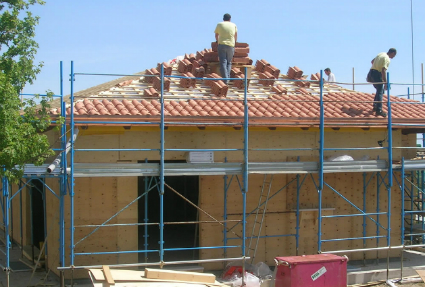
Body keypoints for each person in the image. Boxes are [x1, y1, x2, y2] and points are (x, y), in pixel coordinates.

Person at [369, 48, 397, 117]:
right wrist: (385, 83)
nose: (393, 57)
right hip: (377, 74)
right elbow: (383, 70)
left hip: (371, 73)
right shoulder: (387, 59)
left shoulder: (381, 54)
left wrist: (376, 66)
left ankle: (375, 105)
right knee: (380, 91)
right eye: (394, 55)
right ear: (393, 53)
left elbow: (372, 61)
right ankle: (379, 110)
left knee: (379, 90)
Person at [214, 13, 237, 84]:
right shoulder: (234, 25)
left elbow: (216, 35)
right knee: (229, 62)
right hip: (230, 46)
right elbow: (235, 36)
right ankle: (227, 78)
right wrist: (234, 44)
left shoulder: (219, 24)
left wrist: (218, 42)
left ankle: (225, 80)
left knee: (223, 62)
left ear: (223, 19)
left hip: (222, 45)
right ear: (230, 19)